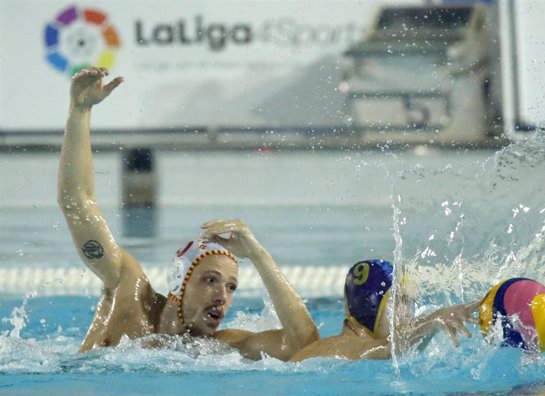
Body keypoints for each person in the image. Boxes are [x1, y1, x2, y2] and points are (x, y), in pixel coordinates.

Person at [57, 67, 319, 361]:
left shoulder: (219, 348)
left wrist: (259, 256)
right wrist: (80, 111)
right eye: (210, 280)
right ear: (179, 280)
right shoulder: (127, 291)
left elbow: (303, 346)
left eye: (231, 287)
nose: (223, 296)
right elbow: (78, 205)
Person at [290, 259, 480, 361]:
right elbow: (392, 348)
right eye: (400, 303)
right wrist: (435, 319)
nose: (408, 313)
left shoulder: (316, 350)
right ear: (373, 308)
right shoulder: (350, 348)